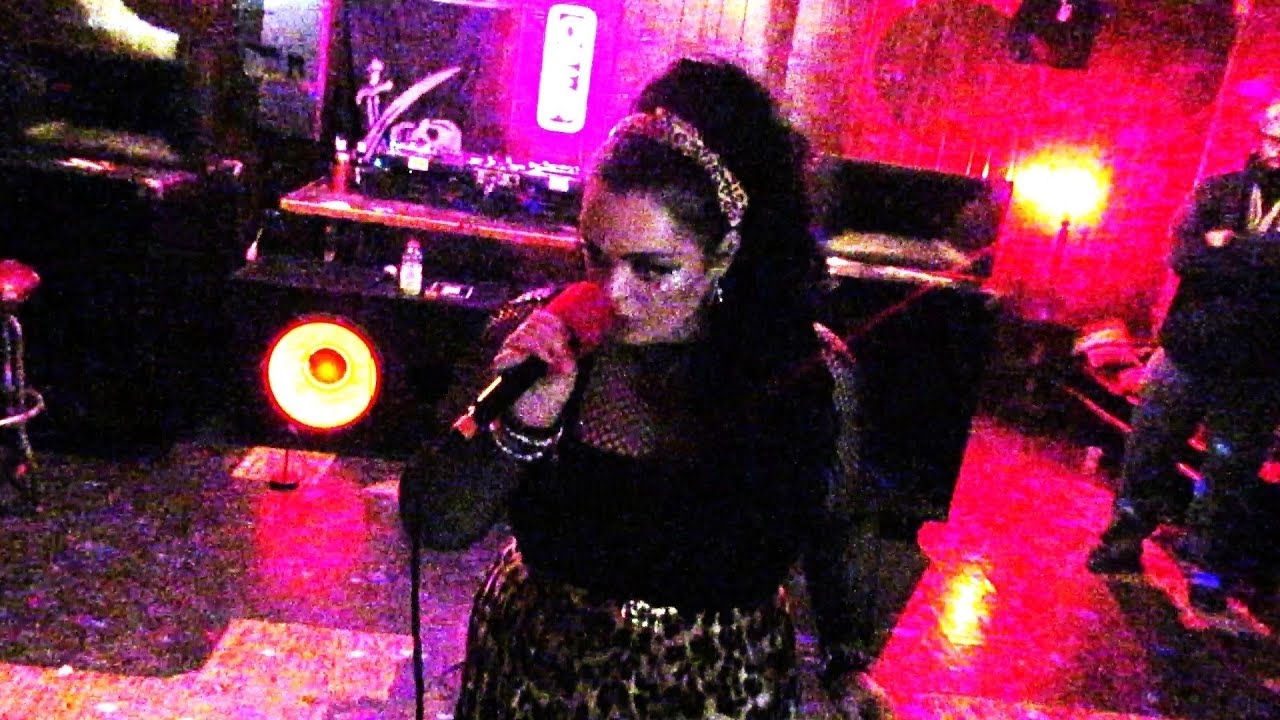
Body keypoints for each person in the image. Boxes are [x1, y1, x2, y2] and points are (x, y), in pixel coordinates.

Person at [400, 58, 894, 719]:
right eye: (594, 255)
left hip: (719, 681)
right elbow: (435, 522)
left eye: (653, 269)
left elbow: (842, 524)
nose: (615, 293)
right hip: (540, 667)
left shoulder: (807, 371)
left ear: (723, 256)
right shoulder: (539, 336)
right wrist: (523, 426)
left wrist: (847, 661)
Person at [1086, 100, 1280, 613]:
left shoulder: (1224, 211)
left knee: (1229, 477)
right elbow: (1184, 256)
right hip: (1185, 354)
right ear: (1260, 137)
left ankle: (1206, 571)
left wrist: (1229, 247)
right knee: (1148, 453)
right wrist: (1257, 259)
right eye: (1273, 138)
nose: (1277, 150)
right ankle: (1122, 541)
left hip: (1259, 370)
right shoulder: (1218, 191)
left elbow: (1220, 257)